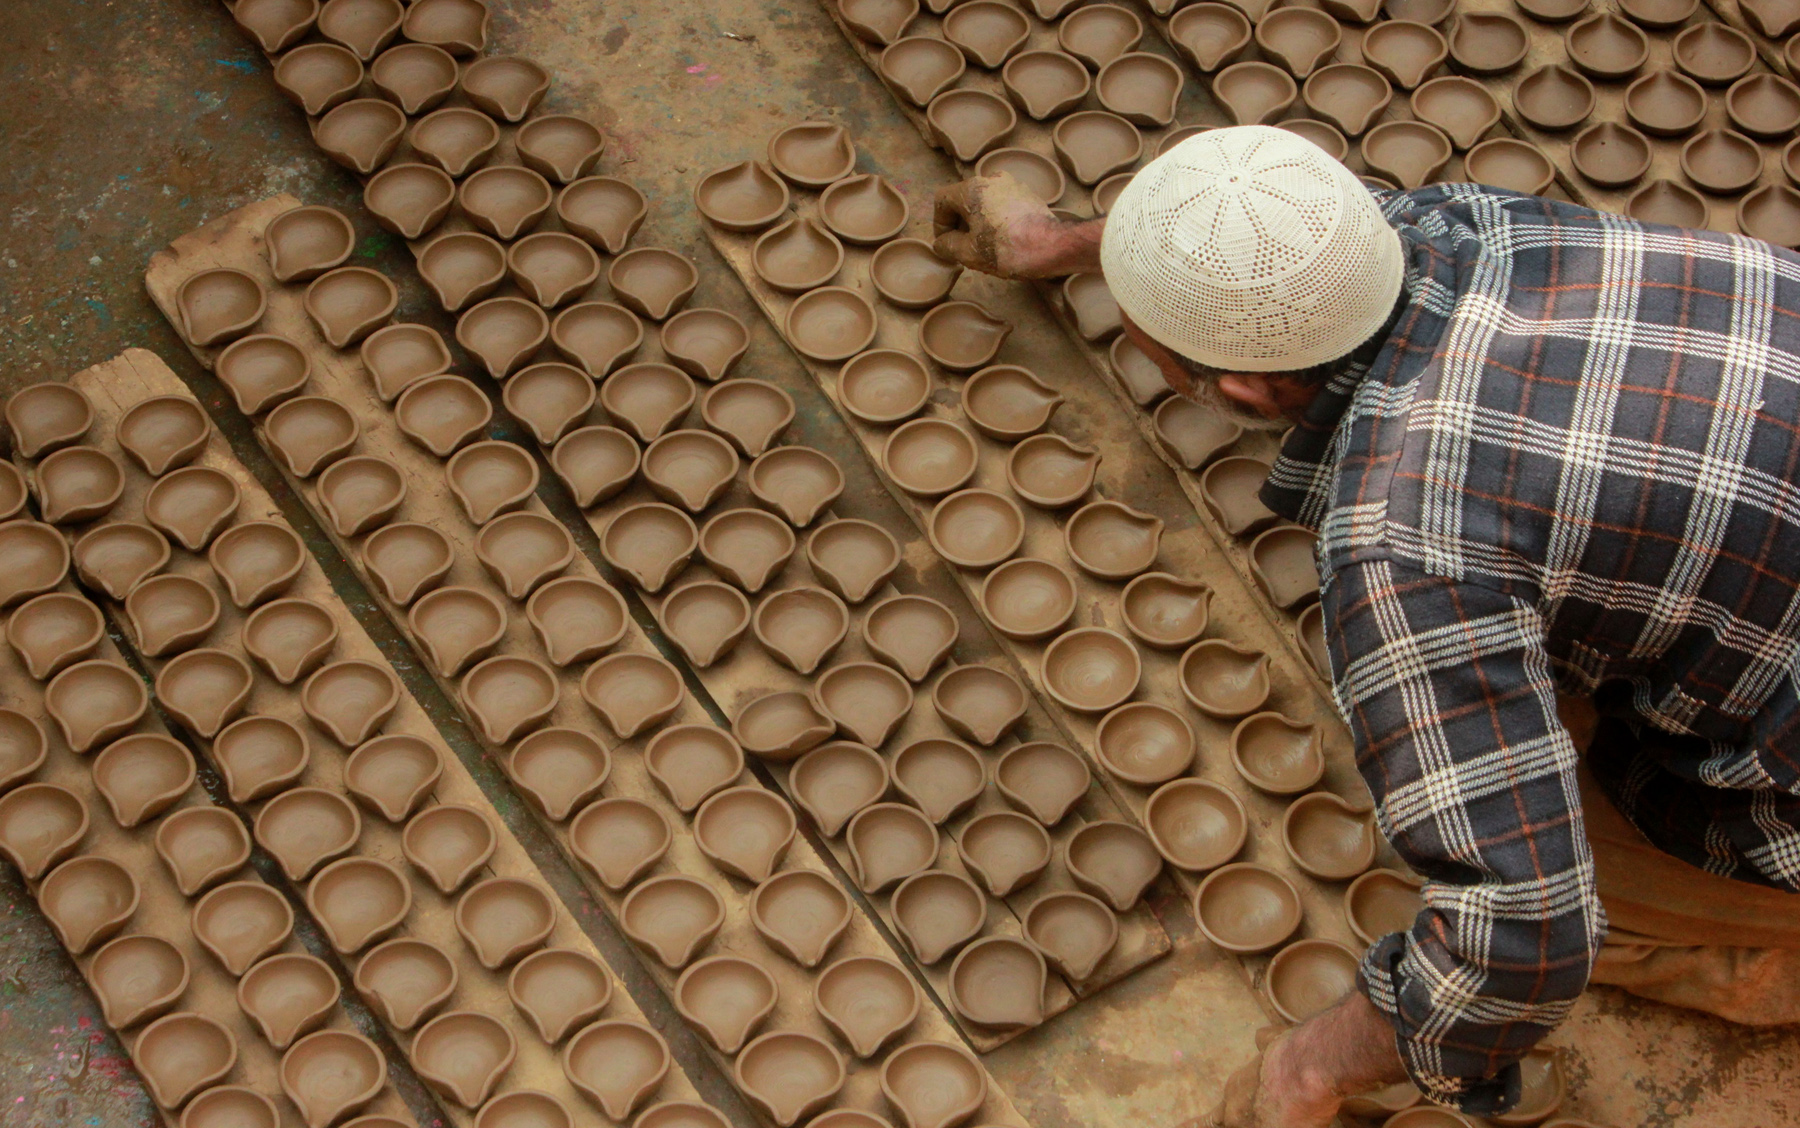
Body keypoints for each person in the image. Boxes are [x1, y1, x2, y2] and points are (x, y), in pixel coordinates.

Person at [934, 124, 1800, 1127]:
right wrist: (1063, 244)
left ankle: (1759, 961)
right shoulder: (1477, 222)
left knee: (1574, 878)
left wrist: (1307, 1073)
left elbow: (1526, 933)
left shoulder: (1408, 541)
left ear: (1242, 389)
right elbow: (1287, 243)